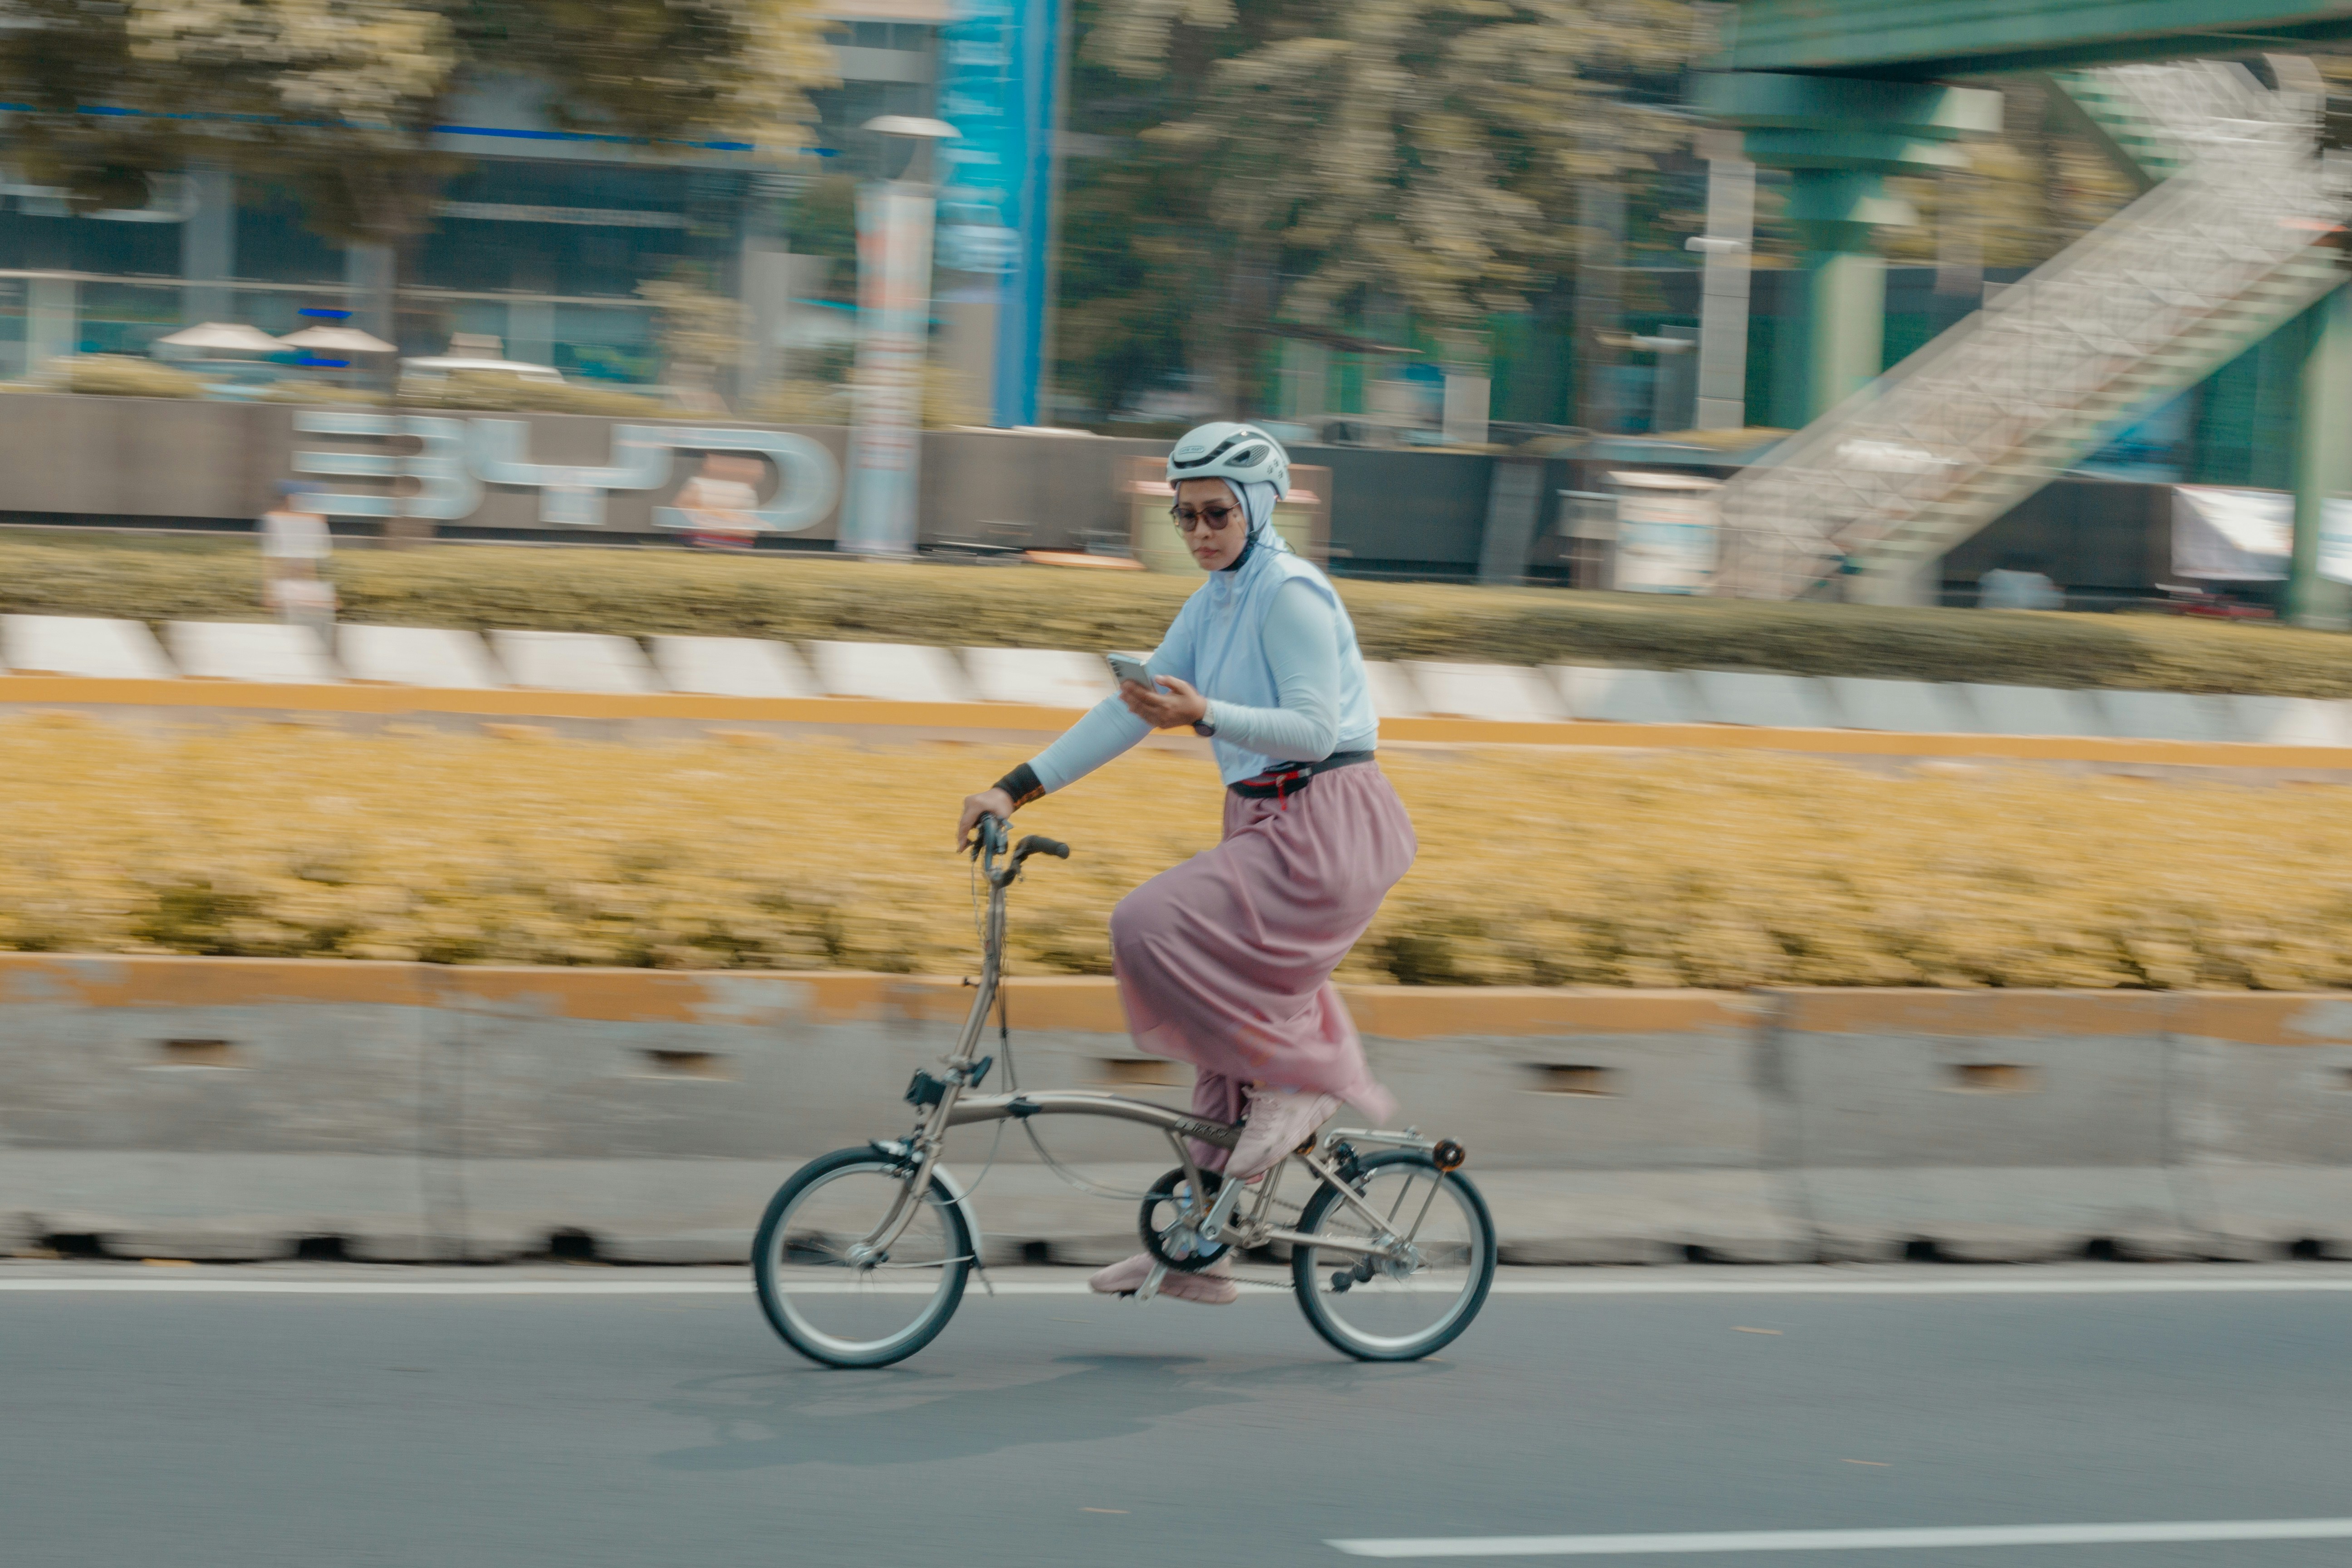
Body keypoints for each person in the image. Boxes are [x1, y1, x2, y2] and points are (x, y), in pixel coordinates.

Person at [953, 423, 1416, 1305]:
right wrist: (1012, 790)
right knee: (1215, 1061)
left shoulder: (1290, 594)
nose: (1200, 532)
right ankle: (1197, 1254)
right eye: (1184, 516)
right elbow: (1130, 711)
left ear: (1259, 509)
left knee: (1148, 922)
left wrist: (1205, 717)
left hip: (1326, 819)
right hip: (1261, 823)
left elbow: (1318, 729)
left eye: (1216, 513)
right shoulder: (1215, 600)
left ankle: (1306, 1079)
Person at [259, 481, 337, 644]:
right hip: (291, 589)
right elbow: (271, 561)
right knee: (296, 639)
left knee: (309, 639)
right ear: (290, 499)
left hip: (304, 590)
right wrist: (269, 592)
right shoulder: (277, 520)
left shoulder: (312, 521)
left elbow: (315, 562)